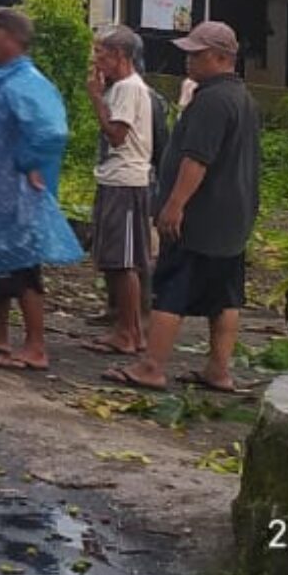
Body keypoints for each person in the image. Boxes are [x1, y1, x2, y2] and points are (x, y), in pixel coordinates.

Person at [107, 20, 262, 394]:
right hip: (233, 217)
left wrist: (174, 205)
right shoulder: (242, 98)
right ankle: (219, 369)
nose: (188, 61)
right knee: (225, 295)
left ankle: (152, 366)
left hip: (201, 216)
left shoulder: (211, 101)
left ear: (221, 57)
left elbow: (197, 160)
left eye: (197, 54)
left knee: (173, 288)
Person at [0, 8, 84, 372]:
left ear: (13, 38)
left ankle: (36, 346)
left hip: (16, 191)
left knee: (22, 265)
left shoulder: (26, 81)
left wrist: (30, 164)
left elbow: (51, 131)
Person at [84, 26, 158, 356]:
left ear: (120, 56)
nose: (96, 59)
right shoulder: (121, 88)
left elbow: (117, 135)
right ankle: (126, 329)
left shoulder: (128, 89)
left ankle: (130, 332)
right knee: (114, 259)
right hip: (115, 180)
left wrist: (96, 98)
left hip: (126, 183)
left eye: (101, 52)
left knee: (124, 260)